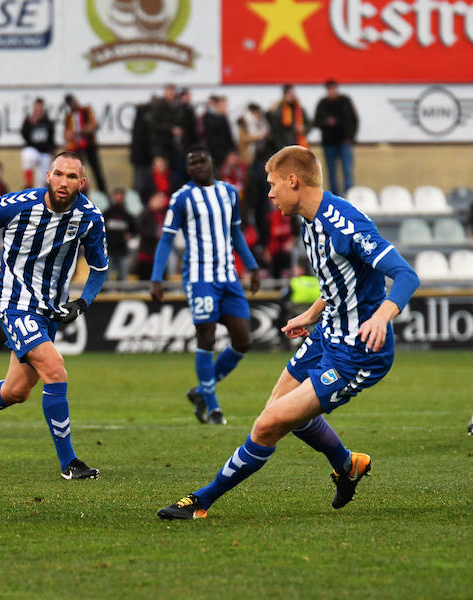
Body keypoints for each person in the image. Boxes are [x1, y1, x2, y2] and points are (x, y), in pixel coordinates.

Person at [157, 145, 420, 520]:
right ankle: (348, 465)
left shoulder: (344, 224)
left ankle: (202, 501)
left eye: (273, 184)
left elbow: (406, 275)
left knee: (269, 424)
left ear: (293, 181)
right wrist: (312, 313)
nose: (269, 193)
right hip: (327, 334)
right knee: (277, 414)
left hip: (359, 354)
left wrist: (382, 316)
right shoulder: (309, 222)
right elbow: (338, 282)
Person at [0, 151, 109, 480]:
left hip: (51, 310)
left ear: (81, 183)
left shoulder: (89, 217)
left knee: (16, 391)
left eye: (72, 177)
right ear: (48, 175)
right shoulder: (19, 204)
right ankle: (69, 463)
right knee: (55, 370)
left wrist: (83, 301)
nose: (64, 182)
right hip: (14, 302)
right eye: (59, 174)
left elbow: (100, 268)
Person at [150, 146, 260, 425]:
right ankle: (213, 408)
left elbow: (235, 233)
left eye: (202, 160)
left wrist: (253, 266)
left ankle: (200, 391)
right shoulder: (182, 198)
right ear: (188, 170)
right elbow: (166, 240)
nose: (197, 166)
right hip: (200, 280)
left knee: (243, 340)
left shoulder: (229, 192)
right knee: (207, 339)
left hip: (229, 277)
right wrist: (156, 278)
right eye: (192, 163)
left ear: (213, 162)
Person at [313, 80, 358, 196]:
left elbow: (354, 120)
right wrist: (326, 122)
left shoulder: (345, 101)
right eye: (329, 89)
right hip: (329, 143)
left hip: (344, 142)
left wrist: (351, 138)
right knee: (331, 172)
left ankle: (349, 197)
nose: (331, 91)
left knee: (347, 171)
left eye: (333, 89)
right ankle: (336, 198)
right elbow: (316, 121)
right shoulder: (323, 103)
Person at [63, 94, 107, 193]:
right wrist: (71, 135)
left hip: (89, 145)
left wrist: (81, 131)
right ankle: (82, 194)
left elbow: (93, 125)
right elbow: (66, 134)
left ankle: (103, 194)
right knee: (79, 173)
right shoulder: (69, 117)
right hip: (76, 147)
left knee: (97, 171)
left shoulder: (86, 110)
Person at [20, 97, 55, 188]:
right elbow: (24, 135)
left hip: (44, 153)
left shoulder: (48, 122)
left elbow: (51, 140)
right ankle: (28, 184)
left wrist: (52, 153)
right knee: (27, 154)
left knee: (41, 182)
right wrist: (30, 125)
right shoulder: (29, 120)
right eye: (37, 107)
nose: (38, 110)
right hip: (33, 149)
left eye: (40, 108)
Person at [105, 188, 137, 281]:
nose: (119, 199)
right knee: (107, 277)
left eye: (121, 197)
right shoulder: (106, 214)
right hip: (108, 250)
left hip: (123, 251)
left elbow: (134, 230)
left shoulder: (128, 215)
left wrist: (130, 235)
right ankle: (108, 294)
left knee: (123, 276)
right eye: (116, 196)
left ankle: (122, 294)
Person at [269, 85, 310, 149]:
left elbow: (309, 123)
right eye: (289, 94)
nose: (292, 96)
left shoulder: (299, 109)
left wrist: (304, 128)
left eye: (293, 94)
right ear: (284, 95)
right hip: (283, 146)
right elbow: (274, 130)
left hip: (299, 145)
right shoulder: (279, 110)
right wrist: (279, 145)